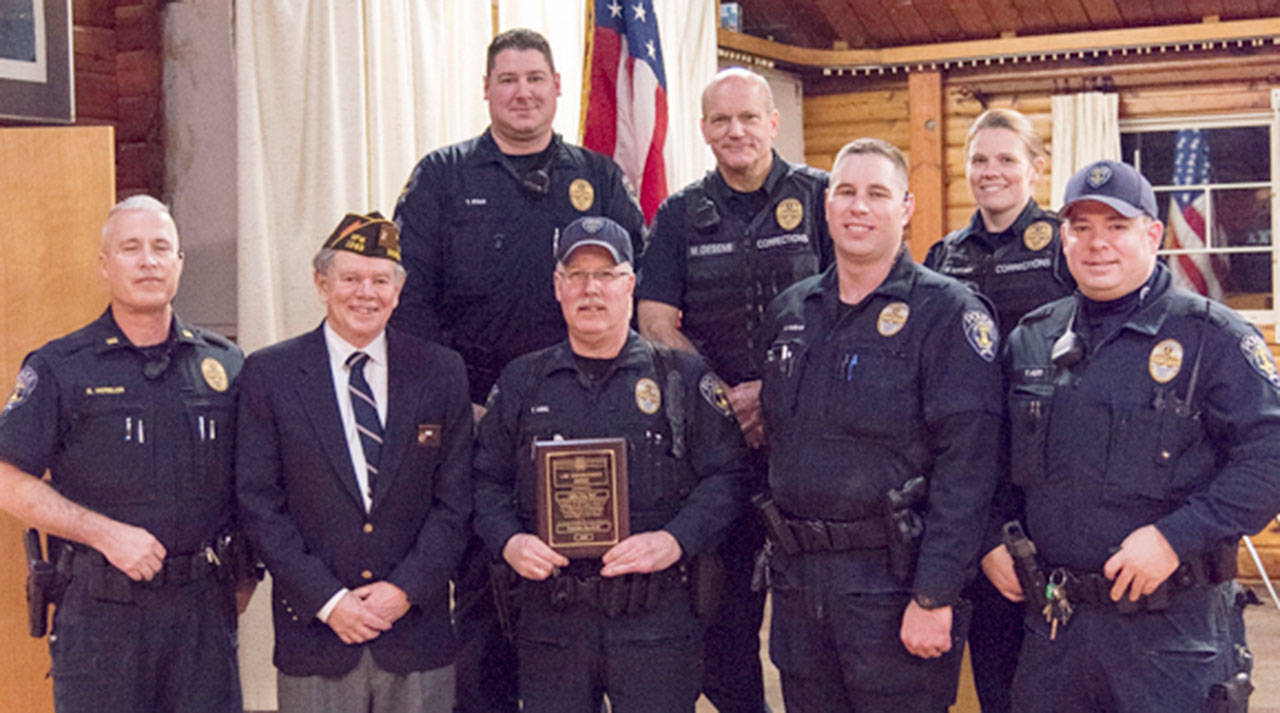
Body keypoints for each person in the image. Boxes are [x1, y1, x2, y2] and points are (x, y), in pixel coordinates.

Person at [390, 29, 645, 710]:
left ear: (559, 86)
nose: (523, 92)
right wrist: (461, 406)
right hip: (478, 427)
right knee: (484, 609)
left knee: (590, 606)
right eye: (508, 79)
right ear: (486, 89)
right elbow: (408, 307)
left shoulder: (597, 176)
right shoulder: (443, 177)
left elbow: (635, 291)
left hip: (591, 426)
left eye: (536, 78)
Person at [985, 159, 1280, 711]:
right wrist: (989, 538)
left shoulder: (1210, 338)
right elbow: (990, 459)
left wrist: (1175, 537)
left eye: (1116, 227)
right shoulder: (1032, 339)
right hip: (1057, 630)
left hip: (1171, 636)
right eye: (1081, 228)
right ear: (1063, 239)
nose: (1098, 244)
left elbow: (1270, 460)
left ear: (1152, 234)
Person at [758, 138, 1003, 712]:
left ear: (907, 208)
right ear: (826, 206)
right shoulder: (792, 311)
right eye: (845, 192)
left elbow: (968, 469)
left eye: (876, 194)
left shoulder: (947, 312)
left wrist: (936, 593)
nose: (858, 208)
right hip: (800, 586)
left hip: (894, 585)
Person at [472, 216, 750, 713]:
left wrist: (675, 540)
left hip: (655, 619)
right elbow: (483, 481)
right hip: (551, 621)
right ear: (557, 287)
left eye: (606, 274)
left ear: (630, 284)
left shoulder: (681, 378)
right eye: (576, 275)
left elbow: (728, 478)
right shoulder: (522, 381)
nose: (590, 289)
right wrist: (510, 541)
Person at [0, 195, 251, 712]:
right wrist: (104, 534)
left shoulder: (225, 365)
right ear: (104, 264)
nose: (148, 261)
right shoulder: (61, 366)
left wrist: (242, 577)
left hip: (202, 613)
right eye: (131, 248)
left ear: (179, 262)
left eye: (162, 248)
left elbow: (253, 483)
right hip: (101, 616)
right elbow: (7, 476)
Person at [636, 67, 830, 713]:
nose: (736, 131)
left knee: (820, 617)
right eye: (721, 120)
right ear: (703, 130)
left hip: (812, 442)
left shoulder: (824, 198)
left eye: (748, 117)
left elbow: (851, 310)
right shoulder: (678, 214)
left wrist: (770, 396)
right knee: (724, 621)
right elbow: (656, 322)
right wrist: (728, 400)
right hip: (716, 450)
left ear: (774, 122)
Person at [236, 212, 472, 713]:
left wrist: (405, 590)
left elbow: (456, 503)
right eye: (350, 278)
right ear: (321, 284)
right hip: (316, 637)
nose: (366, 293)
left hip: (417, 634)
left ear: (398, 291)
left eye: (380, 280)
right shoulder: (270, 374)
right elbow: (258, 504)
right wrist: (328, 600)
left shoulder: (441, 371)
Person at [921, 107, 1074, 713]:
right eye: (979, 159)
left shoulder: (1065, 241)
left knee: (1057, 659)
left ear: (1036, 167)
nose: (991, 172)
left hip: (1051, 468)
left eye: (1007, 159)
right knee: (993, 656)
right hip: (974, 470)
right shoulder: (944, 255)